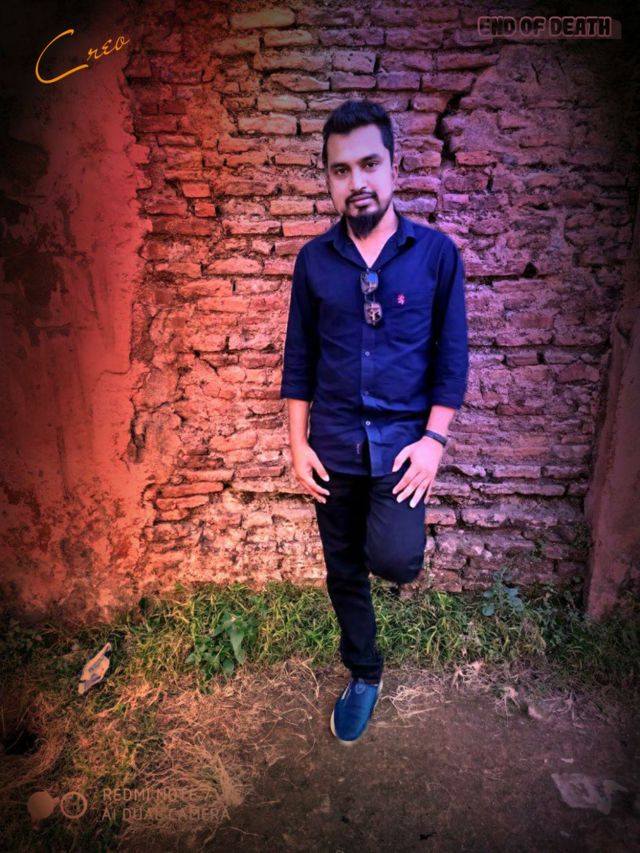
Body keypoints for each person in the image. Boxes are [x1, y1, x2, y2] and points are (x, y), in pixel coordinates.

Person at [279, 99, 469, 745]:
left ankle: (377, 546)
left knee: (396, 559)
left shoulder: (435, 255)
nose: (356, 181)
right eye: (340, 170)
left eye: (368, 164)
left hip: (401, 449)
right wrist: (297, 444)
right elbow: (299, 358)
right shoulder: (314, 261)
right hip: (333, 444)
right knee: (341, 569)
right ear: (328, 178)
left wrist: (434, 442)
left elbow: (452, 359)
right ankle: (364, 671)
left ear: (393, 167)